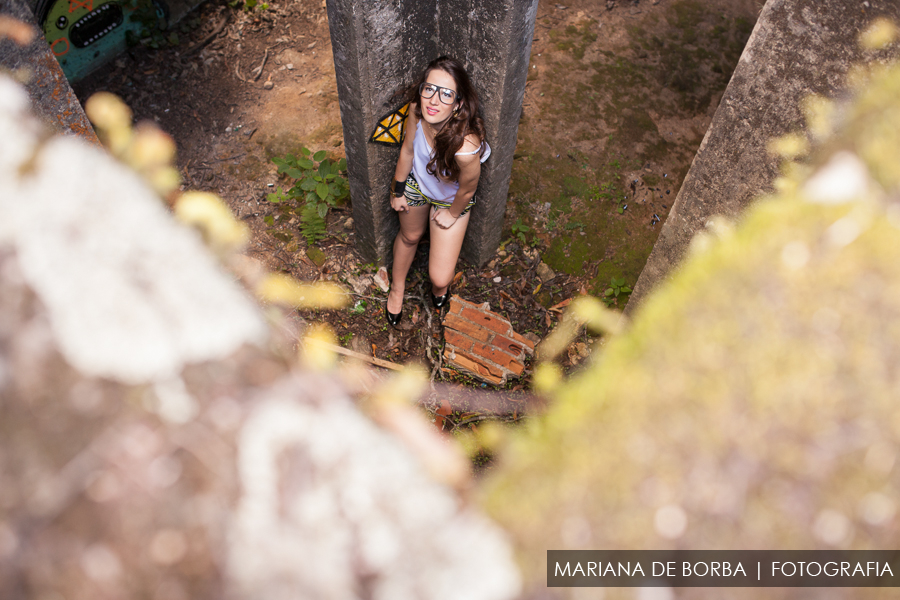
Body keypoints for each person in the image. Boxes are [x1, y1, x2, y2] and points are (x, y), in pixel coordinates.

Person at [385, 56, 491, 326]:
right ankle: (397, 288)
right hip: (419, 185)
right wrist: (398, 190)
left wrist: (452, 213)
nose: (433, 100)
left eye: (446, 94)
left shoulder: (466, 145)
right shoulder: (416, 112)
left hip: (451, 199)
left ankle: (438, 290)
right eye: (429, 89)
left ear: (458, 104)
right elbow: (408, 150)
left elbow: (468, 188)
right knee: (410, 236)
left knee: (440, 277)